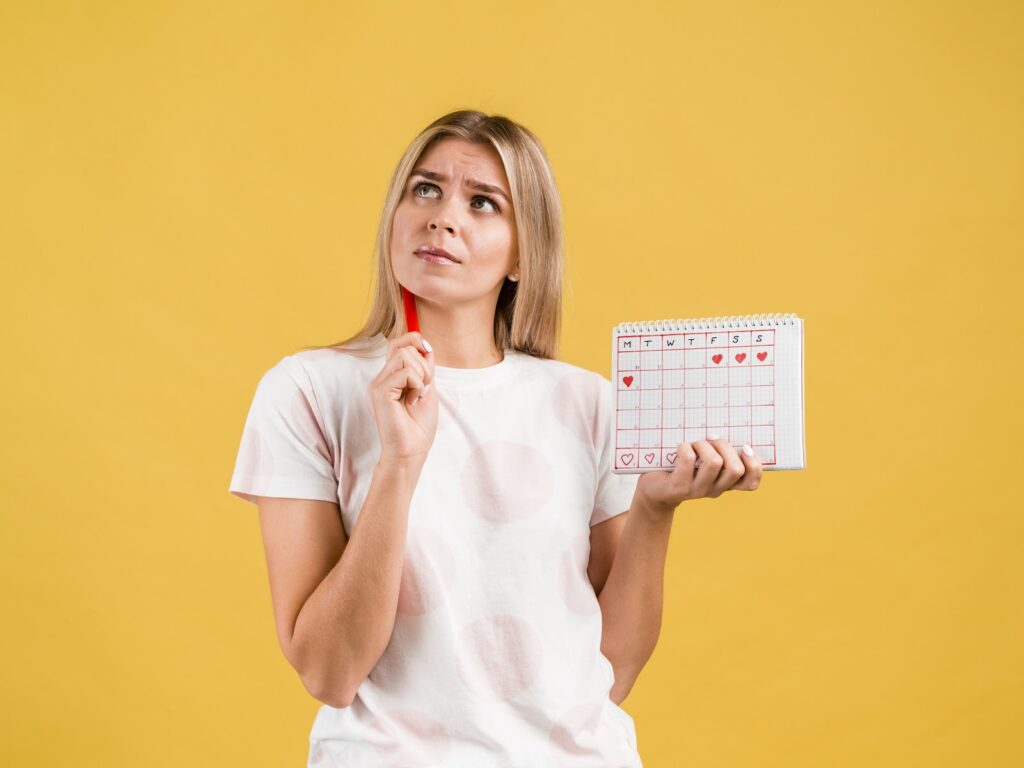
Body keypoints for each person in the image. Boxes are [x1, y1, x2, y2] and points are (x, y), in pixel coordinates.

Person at [229, 109, 763, 767]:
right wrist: (400, 462)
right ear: (394, 217)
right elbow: (329, 672)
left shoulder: (590, 405)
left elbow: (609, 678)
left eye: (483, 203)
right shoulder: (308, 391)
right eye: (425, 189)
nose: (443, 216)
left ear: (522, 253)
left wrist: (654, 509)